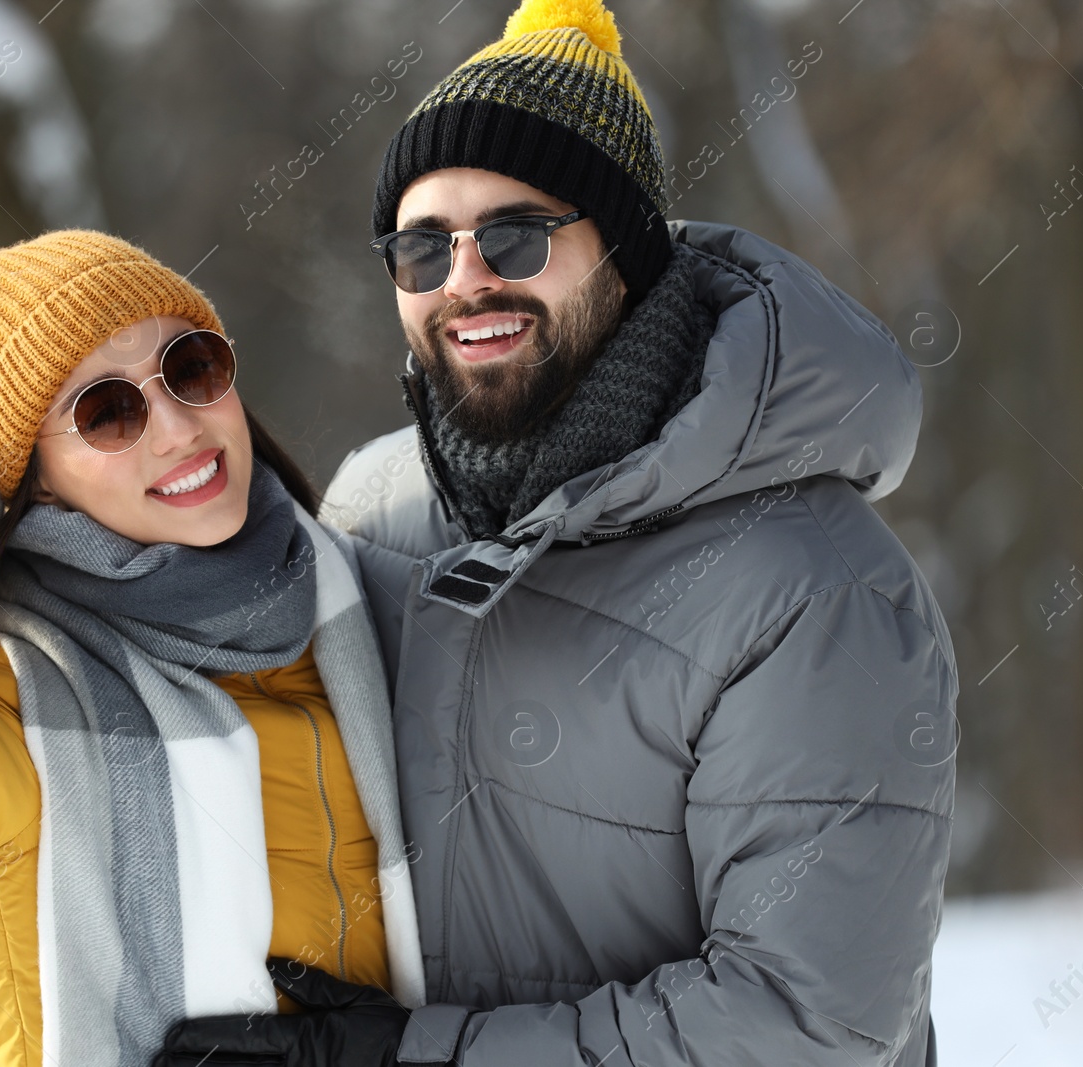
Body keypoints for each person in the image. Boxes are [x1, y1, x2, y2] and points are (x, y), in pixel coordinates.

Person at [154, 1, 956, 1065]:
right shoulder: (368, 507)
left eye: (518, 234)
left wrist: (411, 1056)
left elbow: (803, 1023)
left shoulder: (811, 586)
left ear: (622, 246)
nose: (466, 278)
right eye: (420, 249)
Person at [0, 231, 426, 1066]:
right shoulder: (17, 709)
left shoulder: (360, 611)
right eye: (106, 411)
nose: (175, 426)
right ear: (34, 477)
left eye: (191, 366)